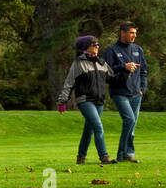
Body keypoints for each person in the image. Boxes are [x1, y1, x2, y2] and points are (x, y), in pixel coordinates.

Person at [57, 35, 117, 165]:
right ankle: (104, 156)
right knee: (98, 127)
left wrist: (126, 70)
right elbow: (69, 83)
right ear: (86, 47)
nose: (97, 47)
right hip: (85, 100)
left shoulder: (102, 63)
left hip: (99, 101)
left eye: (98, 44)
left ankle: (81, 157)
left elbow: (113, 79)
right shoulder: (78, 63)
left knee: (89, 130)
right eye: (94, 44)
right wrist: (62, 101)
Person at [103, 21, 147, 163]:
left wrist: (142, 89)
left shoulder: (138, 50)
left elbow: (144, 71)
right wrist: (124, 66)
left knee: (131, 126)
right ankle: (121, 155)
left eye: (135, 33)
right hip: (119, 92)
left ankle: (129, 154)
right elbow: (106, 71)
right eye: (131, 33)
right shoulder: (111, 50)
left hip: (136, 93)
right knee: (129, 120)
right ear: (122, 33)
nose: (134, 36)